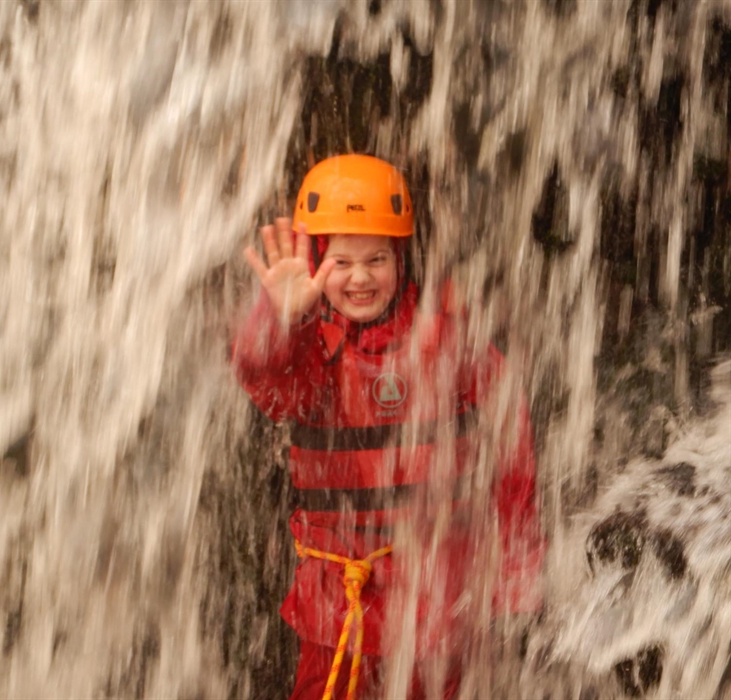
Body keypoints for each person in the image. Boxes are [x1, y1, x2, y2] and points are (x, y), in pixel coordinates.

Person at [232, 154, 544, 700]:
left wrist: (519, 568)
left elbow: (508, 438)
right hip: (338, 615)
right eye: (341, 262)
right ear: (315, 261)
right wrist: (278, 318)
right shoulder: (310, 349)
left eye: (376, 258)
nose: (359, 278)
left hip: (441, 607)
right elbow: (267, 380)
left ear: (401, 258)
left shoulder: (448, 337)